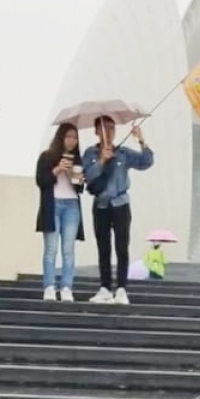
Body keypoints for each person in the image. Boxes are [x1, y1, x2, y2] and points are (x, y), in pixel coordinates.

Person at [82, 116, 153, 305]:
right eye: (104, 128)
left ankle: (121, 288)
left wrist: (141, 140)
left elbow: (146, 162)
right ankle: (105, 288)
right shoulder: (90, 153)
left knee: (122, 246)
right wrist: (101, 161)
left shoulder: (122, 153)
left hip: (121, 204)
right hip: (101, 205)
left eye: (112, 128)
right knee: (103, 247)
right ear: (97, 131)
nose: (109, 132)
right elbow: (87, 177)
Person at [34, 124, 86, 302]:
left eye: (75, 138)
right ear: (61, 138)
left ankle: (66, 287)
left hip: (71, 205)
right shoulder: (47, 157)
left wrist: (74, 175)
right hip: (52, 205)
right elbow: (41, 181)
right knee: (51, 248)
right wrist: (57, 169)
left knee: (68, 249)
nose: (72, 141)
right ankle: (49, 286)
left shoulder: (78, 160)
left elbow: (80, 188)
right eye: (68, 137)